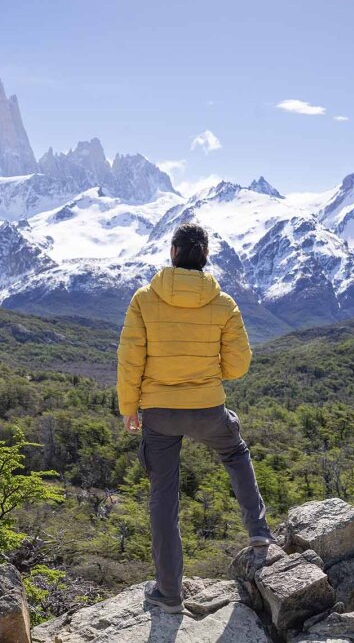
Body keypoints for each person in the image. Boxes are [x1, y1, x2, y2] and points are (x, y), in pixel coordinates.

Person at [116, 222, 276, 614]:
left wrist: (128, 407)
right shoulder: (223, 303)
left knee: (163, 501)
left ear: (172, 253)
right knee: (235, 453)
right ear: (205, 256)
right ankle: (258, 532)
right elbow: (239, 364)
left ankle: (169, 594)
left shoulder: (144, 298)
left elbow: (130, 358)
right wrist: (206, 372)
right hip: (207, 407)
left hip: (158, 414)